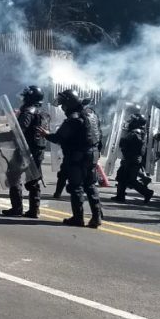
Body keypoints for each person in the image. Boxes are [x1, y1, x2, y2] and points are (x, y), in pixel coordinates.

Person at [46, 89, 104, 228]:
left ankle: (78, 218)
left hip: (78, 156)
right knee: (90, 185)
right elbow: (99, 135)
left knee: (76, 187)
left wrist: (46, 134)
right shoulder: (91, 114)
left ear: (69, 104)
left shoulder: (73, 119)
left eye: (63, 104)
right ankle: (97, 217)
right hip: (92, 154)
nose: (62, 107)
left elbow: (59, 137)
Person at [2, 86, 47, 218]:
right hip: (38, 150)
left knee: (13, 176)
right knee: (33, 180)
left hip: (24, 149)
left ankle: (17, 208)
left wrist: (2, 135)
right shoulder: (43, 112)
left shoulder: (28, 112)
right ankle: (34, 210)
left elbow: (19, 131)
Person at [112, 114, 154, 204]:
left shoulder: (135, 133)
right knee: (121, 176)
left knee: (131, 180)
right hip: (131, 158)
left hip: (132, 159)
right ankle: (120, 196)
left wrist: (123, 141)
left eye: (133, 121)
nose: (130, 122)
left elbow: (126, 144)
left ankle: (147, 193)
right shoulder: (139, 132)